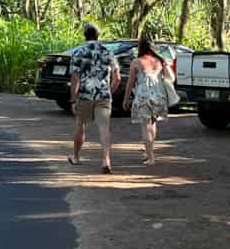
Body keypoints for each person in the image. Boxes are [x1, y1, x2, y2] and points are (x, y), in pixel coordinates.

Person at [68, 22, 120, 174]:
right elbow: (117, 78)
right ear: (98, 35)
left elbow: (75, 78)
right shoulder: (108, 52)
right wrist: (109, 91)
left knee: (80, 125)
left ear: (85, 35)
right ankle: (106, 160)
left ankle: (77, 157)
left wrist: (73, 99)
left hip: (85, 95)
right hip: (103, 95)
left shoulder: (78, 52)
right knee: (104, 128)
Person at [123, 37, 174, 165]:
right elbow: (171, 78)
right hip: (159, 96)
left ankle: (151, 158)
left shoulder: (136, 62)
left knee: (145, 126)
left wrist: (126, 98)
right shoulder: (159, 61)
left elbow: (130, 83)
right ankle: (148, 152)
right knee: (153, 124)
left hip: (143, 96)